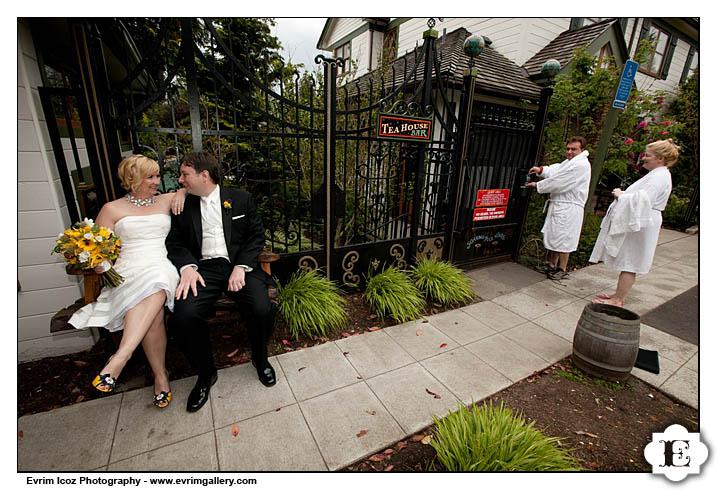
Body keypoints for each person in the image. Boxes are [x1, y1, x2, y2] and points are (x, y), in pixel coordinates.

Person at [69, 155, 185, 408]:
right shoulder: (111, 209)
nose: (157, 182)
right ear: (132, 180)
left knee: (158, 279)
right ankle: (160, 376)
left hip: (160, 264)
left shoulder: (167, 199)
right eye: (150, 177)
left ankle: (120, 357)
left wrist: (182, 193)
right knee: (153, 315)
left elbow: (192, 187)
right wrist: (100, 264)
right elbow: (97, 248)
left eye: (157, 176)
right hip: (127, 270)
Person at [165, 152, 277, 413]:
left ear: (204, 175)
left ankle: (260, 359)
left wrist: (241, 267)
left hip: (238, 265)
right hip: (202, 269)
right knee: (184, 316)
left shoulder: (240, 198)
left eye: (185, 175)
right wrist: (188, 267)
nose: (180, 179)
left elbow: (256, 236)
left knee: (262, 307)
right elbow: (175, 242)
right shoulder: (183, 204)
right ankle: (205, 374)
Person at [589, 139, 679, 307]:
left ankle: (618, 299)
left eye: (647, 155)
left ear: (660, 158)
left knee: (631, 261)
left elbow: (644, 200)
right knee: (629, 259)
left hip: (643, 222)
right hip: (643, 220)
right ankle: (618, 295)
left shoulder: (659, 176)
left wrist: (621, 195)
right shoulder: (658, 174)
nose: (643, 158)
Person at [526, 136, 592, 280]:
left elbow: (560, 181)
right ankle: (551, 264)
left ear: (582, 150)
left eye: (573, 149)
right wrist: (541, 170)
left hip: (569, 208)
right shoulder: (570, 163)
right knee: (555, 235)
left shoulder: (580, 165)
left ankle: (562, 268)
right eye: (568, 148)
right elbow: (557, 170)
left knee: (565, 238)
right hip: (560, 205)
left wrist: (538, 185)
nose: (569, 151)